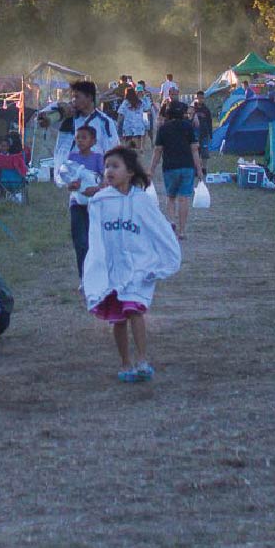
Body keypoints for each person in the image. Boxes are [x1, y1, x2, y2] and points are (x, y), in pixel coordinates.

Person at [82, 145, 181, 383]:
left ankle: (142, 360)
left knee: (135, 311)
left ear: (129, 172)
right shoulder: (100, 202)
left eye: (115, 166)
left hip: (138, 268)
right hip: (113, 271)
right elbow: (95, 240)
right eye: (106, 167)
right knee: (118, 319)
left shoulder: (142, 201)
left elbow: (157, 228)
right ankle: (125, 362)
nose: (109, 171)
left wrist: (165, 247)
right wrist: (92, 273)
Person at [151, 100, 206, 237]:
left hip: (170, 167)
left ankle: (171, 221)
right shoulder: (188, 127)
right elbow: (194, 149)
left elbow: (158, 150)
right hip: (187, 167)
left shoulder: (163, 128)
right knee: (184, 198)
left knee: (170, 197)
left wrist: (151, 169)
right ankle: (182, 231)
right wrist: (199, 169)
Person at [56, 123, 106, 273]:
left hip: (95, 203)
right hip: (76, 203)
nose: (80, 141)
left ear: (93, 141)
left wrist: (96, 189)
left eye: (84, 138)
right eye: (78, 138)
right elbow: (66, 178)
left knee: (96, 239)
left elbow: (106, 180)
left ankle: (97, 272)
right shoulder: (72, 157)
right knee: (80, 240)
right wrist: (70, 185)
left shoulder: (98, 158)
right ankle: (83, 275)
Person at [66, 78, 118, 156]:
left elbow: (112, 151)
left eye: (77, 97)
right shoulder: (69, 120)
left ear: (89, 97)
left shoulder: (105, 122)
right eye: (72, 97)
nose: (73, 100)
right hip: (69, 166)